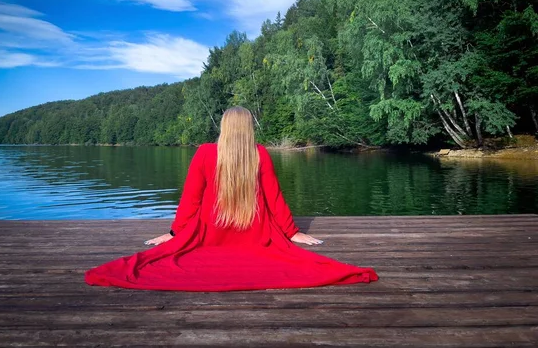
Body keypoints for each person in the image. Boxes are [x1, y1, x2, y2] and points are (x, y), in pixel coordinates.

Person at [85, 106, 378, 291]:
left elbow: (190, 200)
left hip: (211, 234)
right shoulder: (259, 153)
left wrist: (175, 233)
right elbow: (275, 197)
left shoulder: (204, 152)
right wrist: (291, 232)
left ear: (224, 128)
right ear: (248, 129)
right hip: (256, 232)